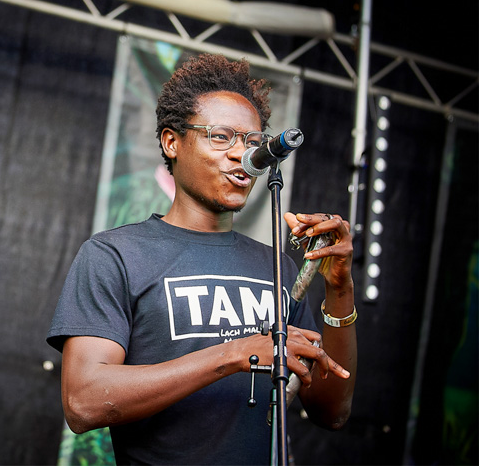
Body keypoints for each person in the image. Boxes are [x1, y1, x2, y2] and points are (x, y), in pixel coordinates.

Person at [47, 54, 357, 464]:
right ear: (171, 142)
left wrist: (339, 289)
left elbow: (331, 413)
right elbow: (84, 402)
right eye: (221, 136)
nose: (242, 155)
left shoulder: (278, 268)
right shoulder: (115, 255)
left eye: (253, 142)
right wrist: (236, 354)